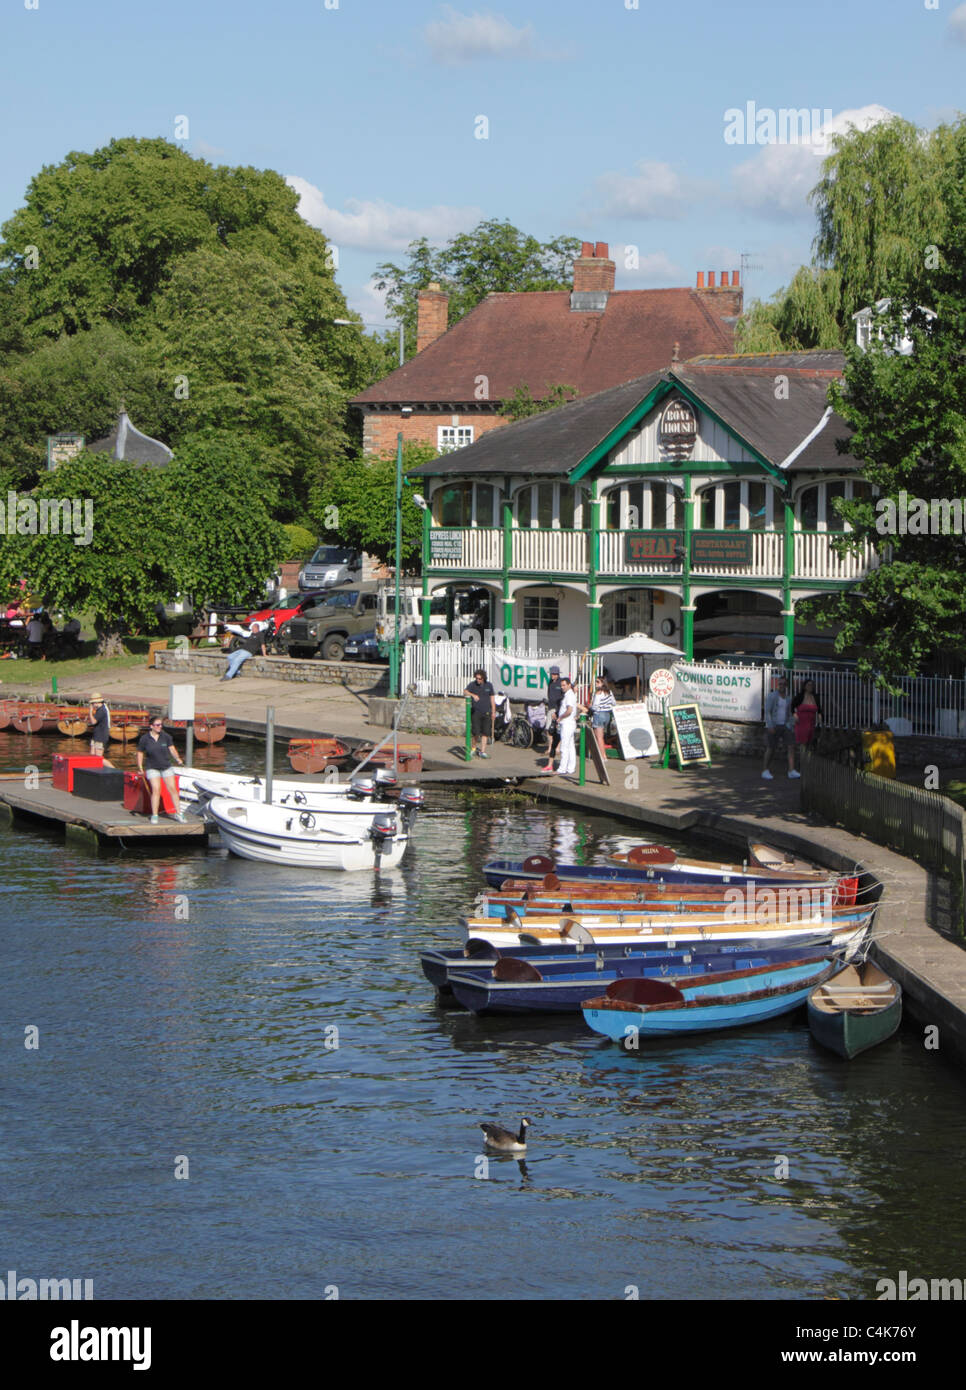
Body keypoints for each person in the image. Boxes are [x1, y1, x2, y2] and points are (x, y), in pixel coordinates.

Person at [137, 716, 186, 824]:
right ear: (151, 726)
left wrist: (178, 759)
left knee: (172, 789)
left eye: (161, 725)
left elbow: (172, 749)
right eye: (157, 725)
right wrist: (140, 767)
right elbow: (140, 753)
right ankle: (155, 815)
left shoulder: (166, 737)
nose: (160, 727)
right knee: (156, 789)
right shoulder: (145, 739)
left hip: (166, 766)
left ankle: (178, 813)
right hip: (152, 767)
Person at [763, 676, 798, 780]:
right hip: (774, 725)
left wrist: (790, 724)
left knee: (791, 746)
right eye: (780, 684)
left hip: (785, 726)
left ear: (786, 686)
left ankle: (791, 770)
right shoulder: (772, 696)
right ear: (777, 685)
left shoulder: (788, 698)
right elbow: (767, 711)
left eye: (784, 684)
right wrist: (770, 725)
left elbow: (791, 713)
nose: (782, 686)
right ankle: (765, 770)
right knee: (771, 748)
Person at [464, 668, 496, 758]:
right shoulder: (472, 685)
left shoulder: (489, 685)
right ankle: (473, 748)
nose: (478, 680)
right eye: (477, 678)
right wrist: (473, 695)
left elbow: (492, 698)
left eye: (480, 679)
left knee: (485, 732)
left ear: (483, 678)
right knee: (476, 732)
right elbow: (465, 691)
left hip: (486, 712)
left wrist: (493, 712)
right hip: (476, 712)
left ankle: (482, 751)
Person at [540, 666, 564, 773]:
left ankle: (558, 747)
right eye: (552, 674)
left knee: (557, 730)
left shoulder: (561, 683)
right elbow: (549, 694)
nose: (553, 675)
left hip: (558, 709)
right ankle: (550, 747)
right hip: (551, 707)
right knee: (549, 729)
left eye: (555, 674)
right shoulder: (550, 682)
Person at [587, 675, 617, 757]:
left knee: (599, 737)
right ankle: (599, 754)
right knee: (599, 736)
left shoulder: (598, 693)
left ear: (602, 683)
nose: (596, 683)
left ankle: (603, 756)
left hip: (599, 714)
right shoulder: (609, 692)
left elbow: (595, 707)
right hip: (607, 714)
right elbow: (614, 703)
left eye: (598, 682)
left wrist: (590, 706)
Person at [554, 676, 578, 777]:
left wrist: (560, 718)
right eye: (561, 685)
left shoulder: (569, 695)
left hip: (567, 723)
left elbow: (569, 710)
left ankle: (562, 768)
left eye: (564, 685)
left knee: (564, 746)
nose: (562, 687)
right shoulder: (569, 694)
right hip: (570, 723)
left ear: (569, 685)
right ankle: (571, 768)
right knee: (570, 746)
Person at [792, 679, 822, 757]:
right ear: (805, 686)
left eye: (812, 685)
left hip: (811, 723)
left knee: (809, 743)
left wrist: (820, 716)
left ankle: (806, 762)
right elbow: (792, 706)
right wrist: (794, 715)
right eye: (808, 685)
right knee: (803, 744)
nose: (810, 687)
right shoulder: (800, 696)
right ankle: (802, 763)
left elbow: (819, 710)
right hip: (801, 723)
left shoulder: (815, 697)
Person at [87, 692, 115, 767]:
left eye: (92, 704)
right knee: (92, 755)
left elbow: (93, 722)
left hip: (101, 736)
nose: (92, 705)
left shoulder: (101, 710)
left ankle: (114, 769)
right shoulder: (100, 709)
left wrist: (90, 712)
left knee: (99, 758)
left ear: (96, 703)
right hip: (96, 735)